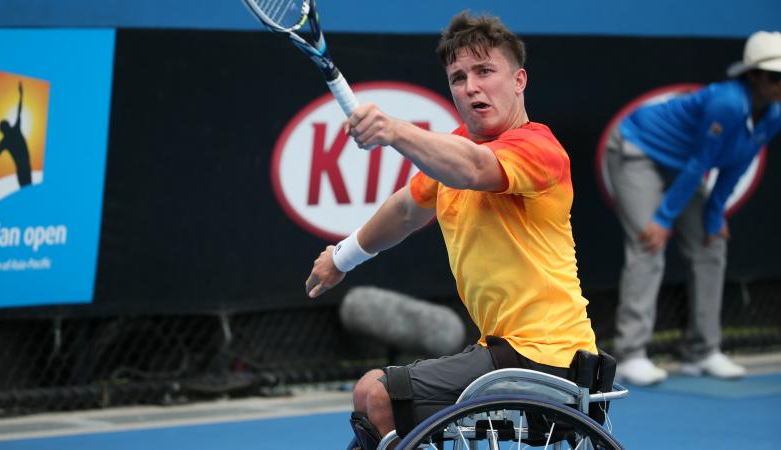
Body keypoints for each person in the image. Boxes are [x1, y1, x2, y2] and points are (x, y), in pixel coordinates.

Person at [305, 12, 604, 449]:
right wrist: (341, 257)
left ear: (519, 80)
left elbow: (474, 168)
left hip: (548, 356)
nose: (471, 87)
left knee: (379, 395)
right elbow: (408, 209)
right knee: (369, 391)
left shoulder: (538, 148)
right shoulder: (456, 146)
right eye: (458, 77)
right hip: (503, 351)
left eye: (485, 71)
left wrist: (394, 130)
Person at [607, 31, 781, 386]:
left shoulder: (774, 115)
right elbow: (700, 163)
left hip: (681, 166)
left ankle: (702, 351)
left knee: (711, 243)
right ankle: (631, 355)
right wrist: (662, 219)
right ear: (754, 76)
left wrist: (715, 213)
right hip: (638, 150)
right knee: (648, 244)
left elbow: (736, 163)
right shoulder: (728, 104)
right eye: (776, 77)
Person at [0, 81, 32, 192]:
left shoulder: (5, 140)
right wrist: (21, 94)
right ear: (6, 127)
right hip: (24, 168)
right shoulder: (13, 132)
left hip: (22, 169)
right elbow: (19, 111)